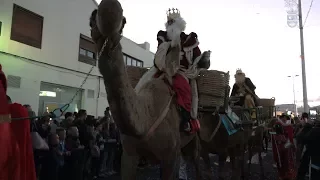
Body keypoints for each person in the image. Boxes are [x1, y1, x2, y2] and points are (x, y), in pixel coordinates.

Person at [154, 8, 202, 133]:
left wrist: (201, 61)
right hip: (163, 69)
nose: (170, 25)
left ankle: (186, 119)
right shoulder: (163, 38)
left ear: (179, 24)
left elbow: (198, 56)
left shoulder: (189, 39)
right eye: (168, 23)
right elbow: (158, 55)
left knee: (182, 86)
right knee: (149, 83)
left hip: (181, 71)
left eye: (172, 22)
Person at [271, 115, 297, 180]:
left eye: (286, 119)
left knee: (285, 161)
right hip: (282, 146)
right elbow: (273, 133)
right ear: (281, 118)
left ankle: (283, 175)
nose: (285, 120)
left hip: (283, 146)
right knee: (284, 161)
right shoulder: (279, 124)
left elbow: (289, 136)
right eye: (284, 118)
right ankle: (284, 175)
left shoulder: (286, 125)